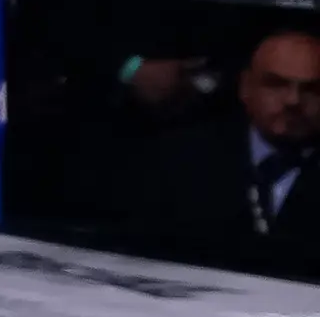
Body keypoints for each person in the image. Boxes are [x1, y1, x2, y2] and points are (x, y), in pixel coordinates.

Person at [112, 28, 320, 276]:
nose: (293, 100)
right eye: (276, 84)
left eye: (311, 90)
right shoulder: (180, 160)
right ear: (245, 87)